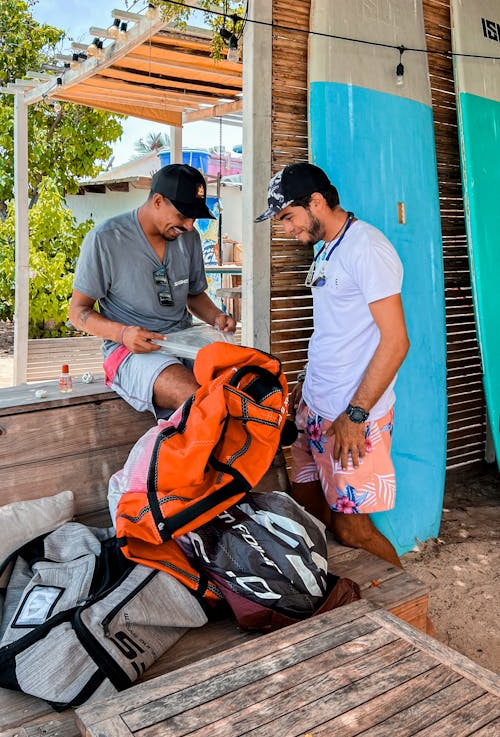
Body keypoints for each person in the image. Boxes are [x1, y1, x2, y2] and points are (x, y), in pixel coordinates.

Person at [255, 162, 410, 567]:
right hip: (316, 411)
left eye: (287, 216)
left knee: (352, 530)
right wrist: (303, 393)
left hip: (352, 418)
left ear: (316, 202)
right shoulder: (329, 248)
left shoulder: (368, 249)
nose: (286, 229)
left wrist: (356, 414)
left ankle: (414, 615)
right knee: (310, 518)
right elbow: (335, 333)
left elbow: (396, 342)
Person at [69, 163, 236, 418]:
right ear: (158, 201)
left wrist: (216, 317)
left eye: (194, 218)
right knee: (198, 400)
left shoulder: (188, 238)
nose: (190, 226)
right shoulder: (105, 239)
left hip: (185, 341)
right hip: (128, 350)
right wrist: (123, 333)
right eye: (183, 216)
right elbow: (78, 312)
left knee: (238, 382)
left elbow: (192, 294)